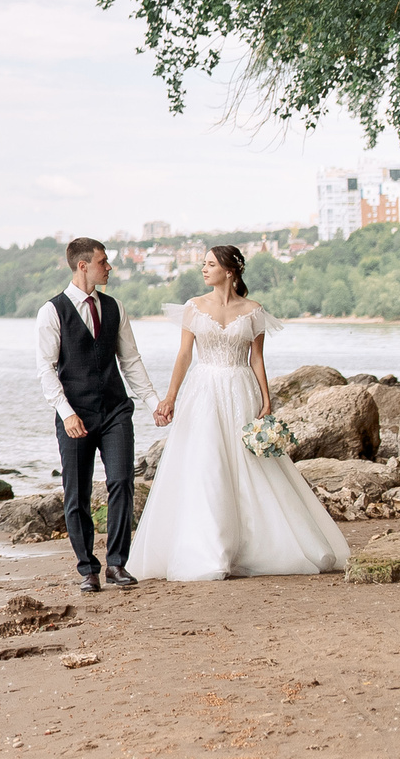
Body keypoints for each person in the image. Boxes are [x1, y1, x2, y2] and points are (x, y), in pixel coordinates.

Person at [123, 245, 348, 581]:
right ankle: (210, 550)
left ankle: (256, 546)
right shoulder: (194, 308)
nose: (203, 269)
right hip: (204, 390)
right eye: (203, 264)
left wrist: (267, 400)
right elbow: (184, 355)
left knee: (250, 467)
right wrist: (169, 397)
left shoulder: (253, 311)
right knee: (206, 464)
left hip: (241, 389)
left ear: (230, 270)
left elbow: (257, 358)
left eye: (210, 264)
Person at [33, 237, 157, 594]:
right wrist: (67, 414)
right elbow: (46, 370)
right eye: (104, 262)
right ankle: (87, 567)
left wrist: (152, 403)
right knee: (77, 494)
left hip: (116, 409)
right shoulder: (52, 311)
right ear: (83, 265)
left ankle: (117, 563)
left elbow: (130, 361)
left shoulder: (115, 307)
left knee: (122, 482)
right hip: (76, 414)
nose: (109, 267)